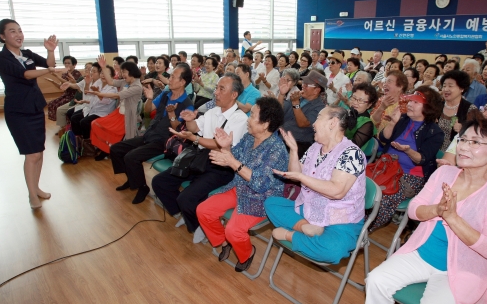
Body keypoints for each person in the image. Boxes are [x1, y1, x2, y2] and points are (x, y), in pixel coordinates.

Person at [365, 115, 487, 304]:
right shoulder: (444, 173)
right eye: (463, 140)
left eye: (475, 142)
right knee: (376, 280)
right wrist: (437, 210)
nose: (463, 147)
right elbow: (413, 210)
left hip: (463, 270)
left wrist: (453, 218)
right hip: (422, 253)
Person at [152, 73, 249, 243]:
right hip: (201, 158)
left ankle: (200, 225)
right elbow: (196, 127)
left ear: (234, 95)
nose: (216, 93)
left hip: (222, 167)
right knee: (160, 182)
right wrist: (190, 121)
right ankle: (187, 214)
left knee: (187, 198)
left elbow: (221, 145)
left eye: (221, 89)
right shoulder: (213, 111)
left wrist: (195, 139)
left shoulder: (240, 118)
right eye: (217, 88)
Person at [264, 105, 367, 264]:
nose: (313, 123)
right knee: (271, 203)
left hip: (339, 218)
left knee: (332, 250)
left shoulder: (351, 153)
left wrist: (287, 235)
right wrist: (293, 150)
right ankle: (306, 227)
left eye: (318, 118)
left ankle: (292, 235)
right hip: (309, 209)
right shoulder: (315, 147)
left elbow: (336, 191)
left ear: (332, 123)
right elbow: (295, 175)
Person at [197, 97, 288, 272]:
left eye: (252, 115)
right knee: (203, 210)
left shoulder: (277, 150)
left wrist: (231, 161)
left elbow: (261, 184)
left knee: (233, 231)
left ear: (265, 124)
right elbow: (234, 156)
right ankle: (224, 242)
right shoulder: (249, 137)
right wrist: (226, 147)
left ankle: (247, 253)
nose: (248, 118)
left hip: (262, 198)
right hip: (239, 187)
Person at [0, 19, 59, 209]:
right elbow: (25, 74)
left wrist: (51, 51)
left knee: (39, 152)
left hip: (35, 108)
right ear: (3, 36)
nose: (18, 34)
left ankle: (36, 187)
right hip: (18, 111)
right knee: (31, 155)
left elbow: (48, 62)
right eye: (13, 31)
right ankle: (32, 195)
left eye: (20, 30)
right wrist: (49, 70)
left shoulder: (27, 54)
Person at [110, 63, 194, 204]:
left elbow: (178, 130)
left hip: (164, 141)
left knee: (131, 157)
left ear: (183, 82)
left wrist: (172, 113)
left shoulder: (187, 104)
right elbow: (148, 110)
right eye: (171, 76)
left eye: (173, 77)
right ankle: (131, 180)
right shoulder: (166, 94)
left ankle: (142, 187)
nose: (170, 79)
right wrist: (149, 98)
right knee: (116, 149)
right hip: (150, 134)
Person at [370, 87, 444, 231]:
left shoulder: (435, 132)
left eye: (416, 102)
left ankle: (363, 231)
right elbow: (384, 138)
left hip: (409, 176)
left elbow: (421, 159)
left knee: (384, 196)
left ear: (428, 107)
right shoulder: (403, 119)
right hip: (385, 167)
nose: (409, 104)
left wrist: (408, 151)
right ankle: (350, 222)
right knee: (357, 185)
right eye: (410, 101)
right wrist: (392, 122)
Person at [87, 56, 144, 160]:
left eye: (124, 72)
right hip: (118, 113)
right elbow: (111, 82)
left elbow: (117, 95)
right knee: (95, 123)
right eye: (121, 72)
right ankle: (106, 150)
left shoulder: (137, 86)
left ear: (131, 72)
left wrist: (100, 93)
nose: (122, 74)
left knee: (109, 130)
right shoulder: (125, 82)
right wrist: (103, 67)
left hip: (127, 116)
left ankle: (110, 151)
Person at [277, 70, 327, 158]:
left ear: (316, 90)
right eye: (303, 83)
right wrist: (282, 94)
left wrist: (296, 104)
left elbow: (303, 123)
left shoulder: (320, 108)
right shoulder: (299, 97)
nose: (303, 86)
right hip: (281, 138)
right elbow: (278, 111)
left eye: (307, 85)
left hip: (298, 145)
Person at [438, 70, 477, 151]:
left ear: (461, 88)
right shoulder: (437, 105)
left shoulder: (470, 109)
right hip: (433, 149)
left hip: (456, 151)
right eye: (444, 86)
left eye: (450, 86)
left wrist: (464, 129)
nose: (446, 89)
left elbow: (476, 133)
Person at [47, 56, 83, 122]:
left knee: (58, 105)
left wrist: (57, 76)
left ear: (74, 65)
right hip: (66, 94)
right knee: (51, 104)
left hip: (74, 95)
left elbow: (70, 85)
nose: (66, 65)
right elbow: (62, 87)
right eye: (65, 63)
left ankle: (66, 123)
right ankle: (61, 123)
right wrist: (53, 82)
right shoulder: (64, 74)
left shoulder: (77, 73)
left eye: (69, 63)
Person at [345, 83, 379, 148]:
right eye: (354, 98)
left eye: (360, 100)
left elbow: (352, 147)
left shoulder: (367, 124)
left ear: (369, 105)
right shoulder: (346, 113)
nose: (355, 102)